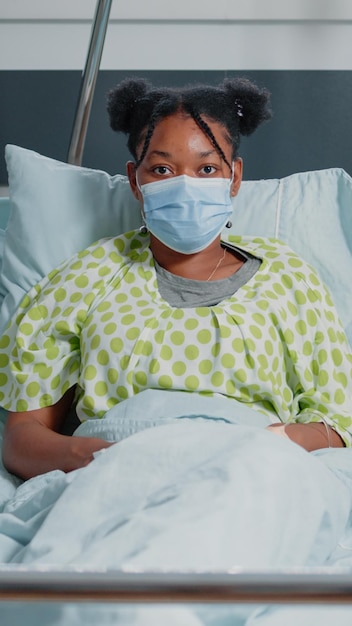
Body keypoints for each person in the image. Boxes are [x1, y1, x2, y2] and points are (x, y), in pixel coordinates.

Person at [0, 76, 351, 481]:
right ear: (135, 180)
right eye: (163, 169)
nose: (185, 186)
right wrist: (103, 460)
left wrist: (269, 445)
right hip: (114, 473)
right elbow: (23, 438)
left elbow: (337, 422)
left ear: (234, 177)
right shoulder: (86, 279)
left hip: (249, 473)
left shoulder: (288, 279)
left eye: (207, 168)